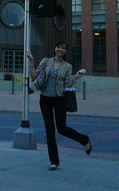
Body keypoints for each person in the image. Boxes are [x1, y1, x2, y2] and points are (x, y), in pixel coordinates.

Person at [26, 42, 91, 171]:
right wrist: (31, 61)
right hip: (45, 100)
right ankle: (54, 161)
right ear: (54, 48)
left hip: (59, 100)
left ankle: (84, 139)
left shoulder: (67, 66)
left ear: (66, 51)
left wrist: (76, 77)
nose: (60, 49)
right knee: (49, 131)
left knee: (61, 128)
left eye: (63, 48)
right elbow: (34, 77)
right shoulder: (46, 61)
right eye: (58, 47)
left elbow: (67, 85)